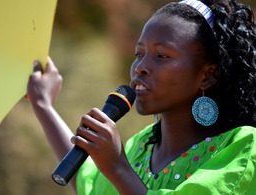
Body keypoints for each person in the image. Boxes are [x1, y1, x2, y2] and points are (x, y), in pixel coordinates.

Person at [26, 0, 256, 194]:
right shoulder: (140, 146)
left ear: (208, 75)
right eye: (139, 54)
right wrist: (43, 106)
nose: (140, 67)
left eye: (162, 55)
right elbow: (88, 182)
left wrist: (117, 168)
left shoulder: (243, 148)